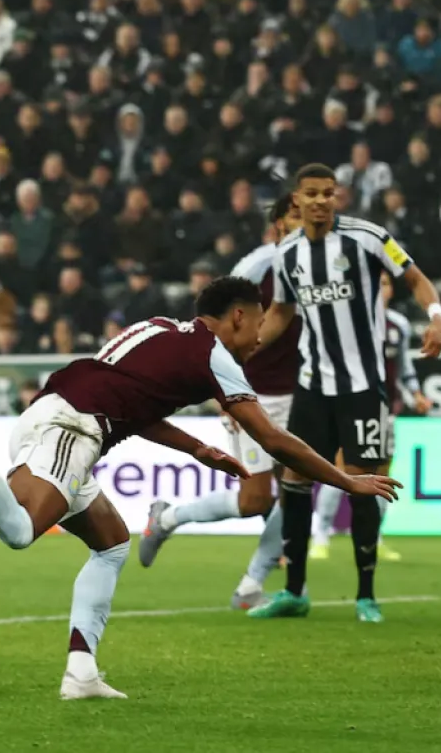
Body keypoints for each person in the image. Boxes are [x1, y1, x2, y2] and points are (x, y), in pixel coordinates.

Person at [0, 276, 399, 698]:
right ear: (238, 315)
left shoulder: (162, 328)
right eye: (259, 322)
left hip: (58, 416)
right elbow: (274, 440)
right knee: (23, 531)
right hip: (72, 428)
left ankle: (81, 670)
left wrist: (194, 448)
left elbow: (132, 403)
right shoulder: (214, 353)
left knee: (112, 542)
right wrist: (347, 480)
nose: (261, 334)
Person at [244, 163, 441, 623]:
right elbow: (280, 310)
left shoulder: (368, 237)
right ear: (296, 200)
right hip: (313, 385)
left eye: (328, 193)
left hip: (362, 386)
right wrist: (248, 348)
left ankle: (366, 595)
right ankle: (294, 591)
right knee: (294, 483)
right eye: (311, 194)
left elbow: (414, 278)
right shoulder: (288, 252)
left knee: (361, 483)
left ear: (337, 196)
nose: (320, 201)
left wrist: (436, 316)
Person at [136, 195, 304, 613]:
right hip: (253, 394)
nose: (308, 222)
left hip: (302, 391)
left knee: (297, 491)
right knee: (255, 500)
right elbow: (218, 336)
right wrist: (224, 393)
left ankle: (251, 586)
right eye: (295, 215)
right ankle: (169, 517)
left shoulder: (320, 267)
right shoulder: (257, 267)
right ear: (279, 224)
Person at [310, 271, 431, 561]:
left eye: (386, 284)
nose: (381, 289)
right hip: (350, 407)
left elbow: (404, 367)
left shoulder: (398, 325)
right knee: (341, 470)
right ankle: (321, 535)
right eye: (376, 284)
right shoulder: (348, 321)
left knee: (380, 475)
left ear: (391, 291)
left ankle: (374, 536)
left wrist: (415, 393)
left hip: (385, 410)